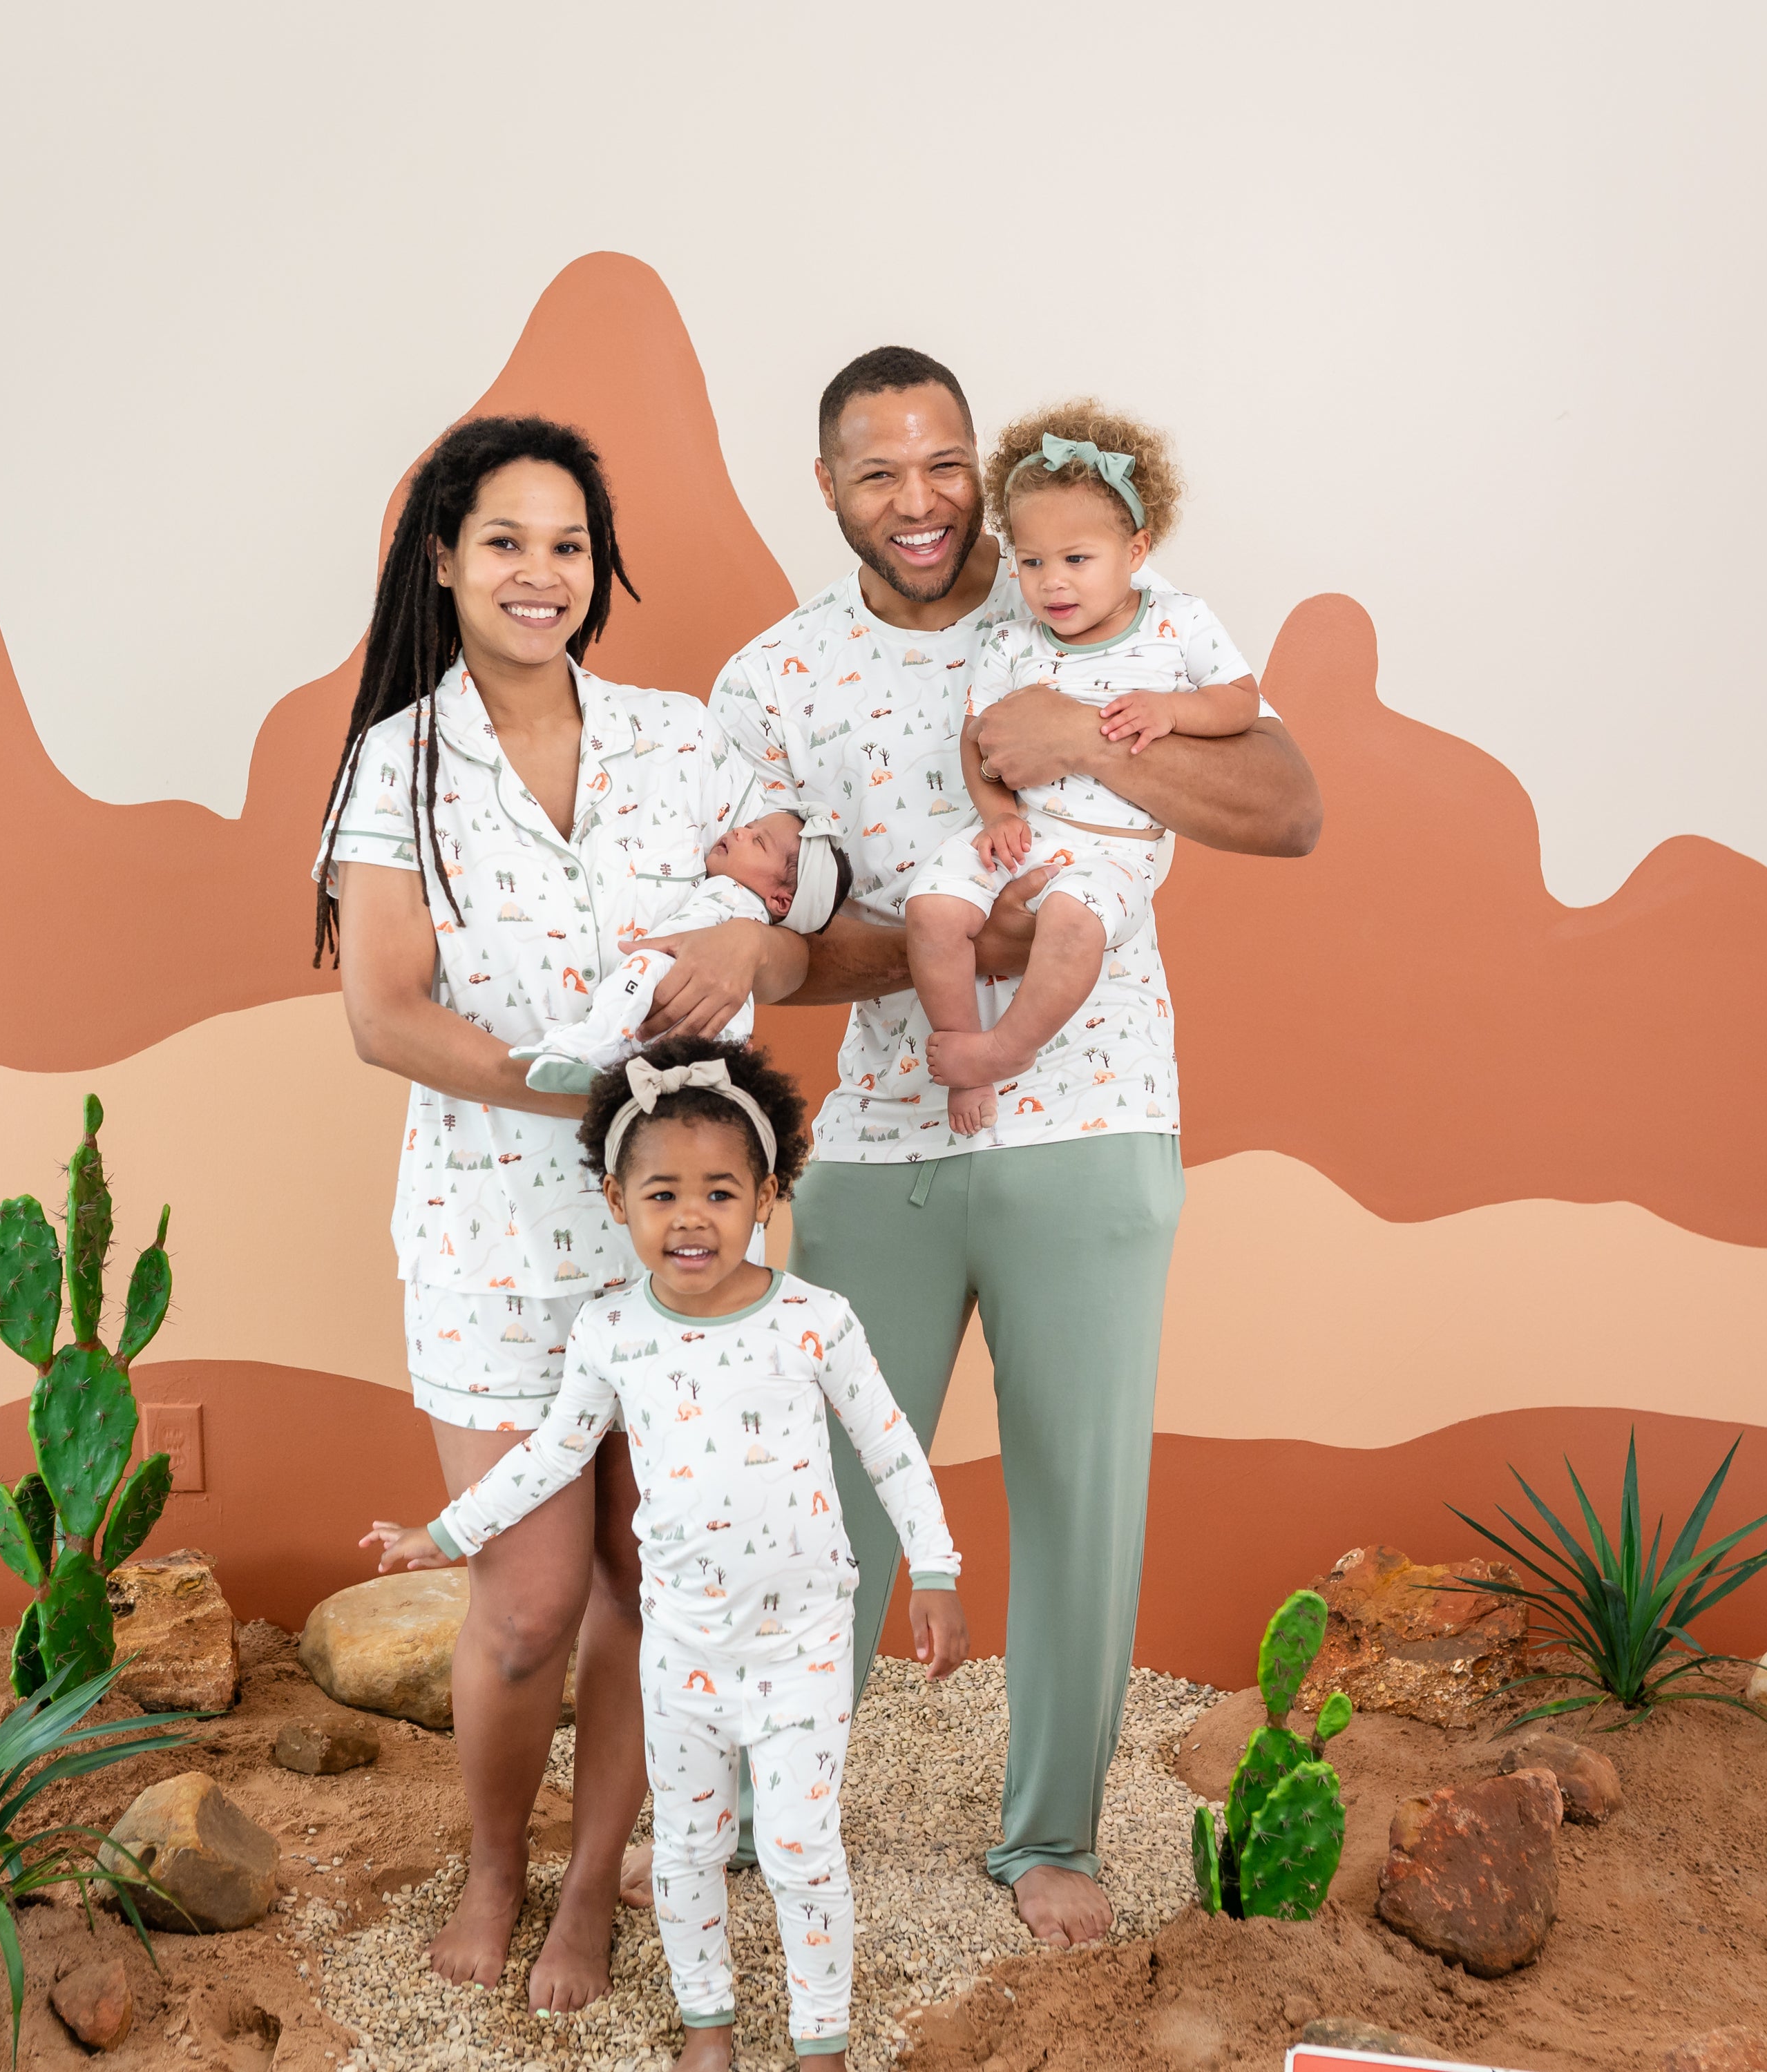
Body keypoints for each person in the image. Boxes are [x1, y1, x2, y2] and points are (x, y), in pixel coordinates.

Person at [709, 347, 1321, 1948]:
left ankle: (1049, 1835)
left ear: (978, 465)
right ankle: (776, 1812)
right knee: (822, 1495)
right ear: (826, 485)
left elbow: (1284, 800)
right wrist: (956, 946)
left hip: (1097, 1126)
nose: (916, 500)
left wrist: (1080, 736)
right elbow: (777, 947)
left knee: (1076, 1491)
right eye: (874, 470)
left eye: (939, 462)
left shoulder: (1081, 584)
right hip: (882, 1139)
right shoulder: (769, 681)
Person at [312, 413, 808, 2007]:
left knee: (651, 1584)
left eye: (569, 544)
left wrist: (758, 950)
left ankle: (596, 1883)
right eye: (508, 541)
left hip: (690, 1242)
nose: (542, 573)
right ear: (443, 559)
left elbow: (795, 903)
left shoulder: (681, 739)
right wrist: (591, 1093)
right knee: (527, 1601)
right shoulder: (403, 761)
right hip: (493, 1239)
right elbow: (387, 1013)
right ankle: (492, 1858)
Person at [365, 1034, 968, 2072]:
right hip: (682, 1651)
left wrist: (939, 1572)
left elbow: (891, 1449)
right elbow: (552, 1456)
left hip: (803, 1646)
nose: (692, 1217)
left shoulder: (816, 1322)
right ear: (617, 1204)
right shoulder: (610, 1333)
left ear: (768, 1196)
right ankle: (709, 2027)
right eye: (663, 1194)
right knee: (686, 1850)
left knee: (797, 1849)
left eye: (722, 1192)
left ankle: (821, 2041)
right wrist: (445, 1534)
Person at [905, 401, 1261, 1136]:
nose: (1053, 584)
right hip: (1026, 834)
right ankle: (962, 1047)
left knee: (1073, 921)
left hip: (1113, 853)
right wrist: (998, 813)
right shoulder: (1012, 644)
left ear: (1136, 552)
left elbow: (1241, 701)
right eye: (1032, 563)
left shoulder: (1177, 623)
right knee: (932, 909)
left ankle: (1004, 1049)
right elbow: (979, 739)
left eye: (1077, 560)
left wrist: (1172, 712)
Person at [509, 809, 852, 1093]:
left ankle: (588, 1047)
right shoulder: (742, 908)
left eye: (757, 841)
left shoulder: (735, 898)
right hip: (716, 1012)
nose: (738, 832)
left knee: (640, 965)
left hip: (675, 974)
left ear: (781, 900)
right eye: (749, 826)